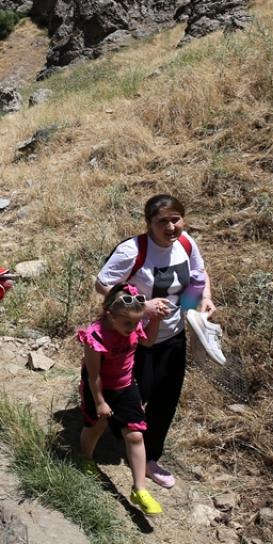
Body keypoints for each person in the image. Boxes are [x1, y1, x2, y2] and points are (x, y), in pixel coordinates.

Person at [95, 194, 214, 489]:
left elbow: (199, 274)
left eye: (176, 219)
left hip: (173, 334)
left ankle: (149, 458)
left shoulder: (185, 243)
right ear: (149, 223)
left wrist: (206, 298)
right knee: (133, 394)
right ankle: (109, 430)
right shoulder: (133, 250)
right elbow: (102, 283)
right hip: (134, 338)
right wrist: (141, 307)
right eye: (163, 221)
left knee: (165, 399)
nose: (171, 227)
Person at [78, 283, 164, 516]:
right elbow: (93, 374)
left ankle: (140, 489)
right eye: (127, 323)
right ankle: (85, 458)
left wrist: (154, 321)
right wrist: (99, 402)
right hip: (100, 388)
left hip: (125, 385)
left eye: (137, 322)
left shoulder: (132, 325)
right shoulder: (95, 336)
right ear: (110, 315)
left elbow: (147, 342)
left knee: (135, 434)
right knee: (97, 426)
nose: (133, 327)